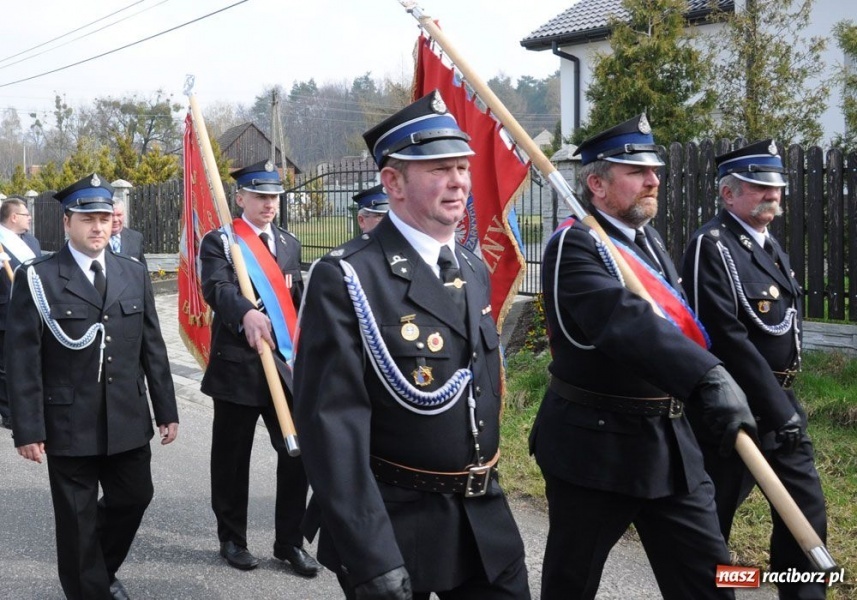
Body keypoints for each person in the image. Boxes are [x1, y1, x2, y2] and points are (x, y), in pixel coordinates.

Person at [293, 90, 530, 600]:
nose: (458, 182)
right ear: (392, 182)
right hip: (397, 520)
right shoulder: (350, 276)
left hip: (482, 510)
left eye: (461, 167)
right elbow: (331, 428)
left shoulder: (470, 265)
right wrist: (370, 556)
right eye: (437, 169)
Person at [529, 114, 757, 600]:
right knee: (572, 583)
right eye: (636, 172)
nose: (653, 179)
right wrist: (708, 377)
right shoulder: (575, 244)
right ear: (596, 183)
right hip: (595, 447)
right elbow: (626, 321)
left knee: (712, 579)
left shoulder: (647, 239)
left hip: (668, 446)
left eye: (654, 170)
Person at [6, 173, 179, 600]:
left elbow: (152, 348)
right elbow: (22, 360)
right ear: (67, 223)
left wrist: (167, 409)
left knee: (135, 497)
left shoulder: (132, 273)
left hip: (127, 417)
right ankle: (90, 588)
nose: (98, 226)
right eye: (87, 219)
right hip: (67, 422)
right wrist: (27, 428)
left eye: (104, 217)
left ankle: (96, 569)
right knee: (77, 521)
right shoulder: (39, 278)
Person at [681, 140, 828, 599]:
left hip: (780, 406)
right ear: (728, 194)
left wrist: (784, 409)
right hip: (734, 412)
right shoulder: (713, 245)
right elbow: (724, 335)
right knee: (709, 529)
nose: (773, 196)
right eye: (760, 188)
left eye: (777, 188)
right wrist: (776, 407)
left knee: (806, 514)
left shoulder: (769, 246)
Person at [198, 159, 320, 577]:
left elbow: (296, 298)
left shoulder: (288, 242)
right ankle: (232, 538)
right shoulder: (221, 241)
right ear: (241, 198)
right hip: (239, 368)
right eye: (261, 196)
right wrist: (245, 313)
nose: (269, 204)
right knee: (232, 459)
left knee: (297, 453)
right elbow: (217, 287)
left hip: (284, 367)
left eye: (274, 197)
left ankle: (289, 541)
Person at [0, 196, 41, 429]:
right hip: (4, 311)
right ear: (14, 217)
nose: (30, 218)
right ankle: (7, 411)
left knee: (29, 360)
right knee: (5, 365)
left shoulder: (32, 241)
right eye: (26, 214)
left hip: (31, 308)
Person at [109, 199, 147, 267]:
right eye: (111, 215)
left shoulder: (136, 238)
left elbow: (143, 270)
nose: (115, 219)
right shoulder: (96, 239)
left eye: (119, 215)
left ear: (124, 215)